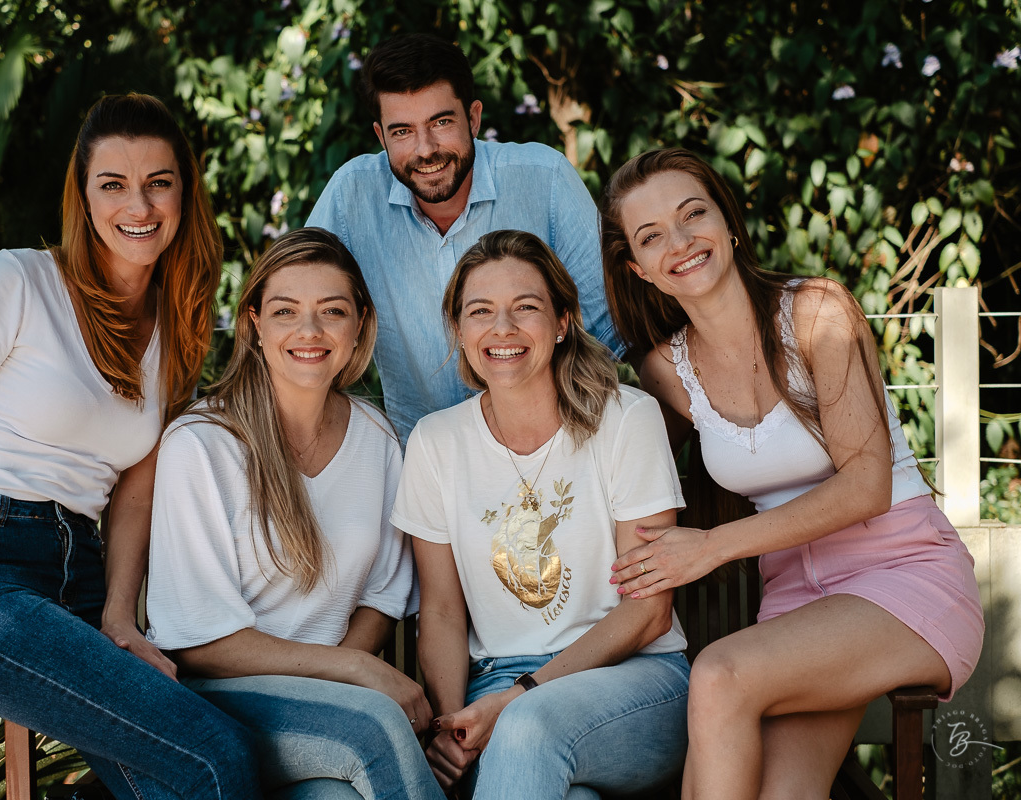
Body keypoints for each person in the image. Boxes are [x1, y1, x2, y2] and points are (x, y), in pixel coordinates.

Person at [0, 94, 260, 799]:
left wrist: (119, 615)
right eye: (114, 184)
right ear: (84, 195)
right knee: (217, 752)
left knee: (172, 783)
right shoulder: (21, 279)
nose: (139, 205)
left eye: (158, 182)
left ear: (184, 193)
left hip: (83, 576)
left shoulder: (178, 326)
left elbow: (136, 487)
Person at [600, 148, 984, 799]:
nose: (681, 242)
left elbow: (867, 485)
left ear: (728, 222)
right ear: (637, 269)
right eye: (652, 236)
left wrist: (711, 546)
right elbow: (615, 468)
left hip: (903, 571)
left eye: (693, 215)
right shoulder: (666, 371)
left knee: (719, 674)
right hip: (796, 603)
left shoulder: (817, 313)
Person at [143, 227, 445, 800]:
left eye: (333, 311)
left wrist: (337, 680)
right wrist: (352, 672)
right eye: (286, 311)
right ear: (255, 324)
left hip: (328, 705)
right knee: (375, 728)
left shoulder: (377, 439)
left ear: (359, 325)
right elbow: (200, 642)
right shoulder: (203, 444)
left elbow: (381, 597)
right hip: (218, 706)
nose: (310, 331)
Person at [391, 230, 691, 799]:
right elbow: (444, 613)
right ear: (459, 329)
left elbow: (649, 612)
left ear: (562, 322)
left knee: (528, 729)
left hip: (633, 679)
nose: (502, 328)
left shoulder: (626, 420)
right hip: (496, 684)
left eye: (525, 307)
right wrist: (454, 727)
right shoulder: (436, 443)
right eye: (480, 311)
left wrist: (518, 699)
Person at [306, 33, 622, 441]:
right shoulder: (351, 195)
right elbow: (297, 307)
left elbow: (610, 328)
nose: (425, 149)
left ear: (473, 118)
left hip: (553, 443)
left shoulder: (544, 179)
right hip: (419, 455)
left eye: (441, 123)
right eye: (402, 132)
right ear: (381, 137)